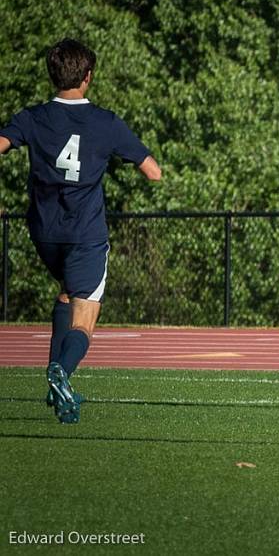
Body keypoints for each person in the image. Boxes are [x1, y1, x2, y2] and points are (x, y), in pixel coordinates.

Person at [0, 39, 162, 424]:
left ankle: (58, 390)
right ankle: (62, 372)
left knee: (66, 293)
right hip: (85, 233)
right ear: (88, 77)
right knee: (85, 319)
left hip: (44, 233)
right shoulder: (105, 122)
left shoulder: (32, 117)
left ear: (52, 75)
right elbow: (153, 172)